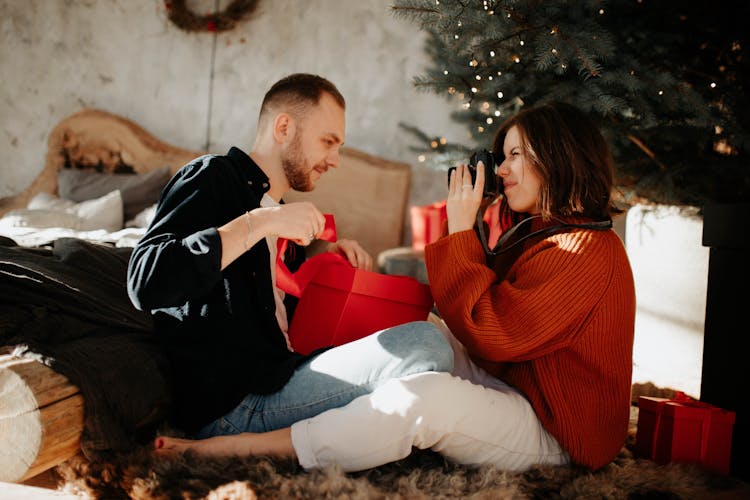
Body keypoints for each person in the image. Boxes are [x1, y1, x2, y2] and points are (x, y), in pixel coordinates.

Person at [154, 101, 636, 473]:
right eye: (501, 156)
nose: (503, 168)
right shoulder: (540, 230)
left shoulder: (587, 251)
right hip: (515, 382)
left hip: (555, 427)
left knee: (424, 400)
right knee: (419, 328)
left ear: (556, 159)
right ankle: (362, 427)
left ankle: (243, 447)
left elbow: (490, 331)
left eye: (514, 156)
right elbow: (474, 311)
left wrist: (462, 228)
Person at [127, 73, 454, 440]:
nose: (335, 160)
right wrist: (261, 222)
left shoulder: (282, 216)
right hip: (236, 404)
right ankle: (269, 446)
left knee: (437, 334)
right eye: (328, 142)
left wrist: (329, 270)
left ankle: (335, 439)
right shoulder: (211, 178)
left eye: (339, 146)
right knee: (428, 346)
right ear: (284, 127)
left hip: (283, 375)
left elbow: (281, 322)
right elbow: (145, 281)